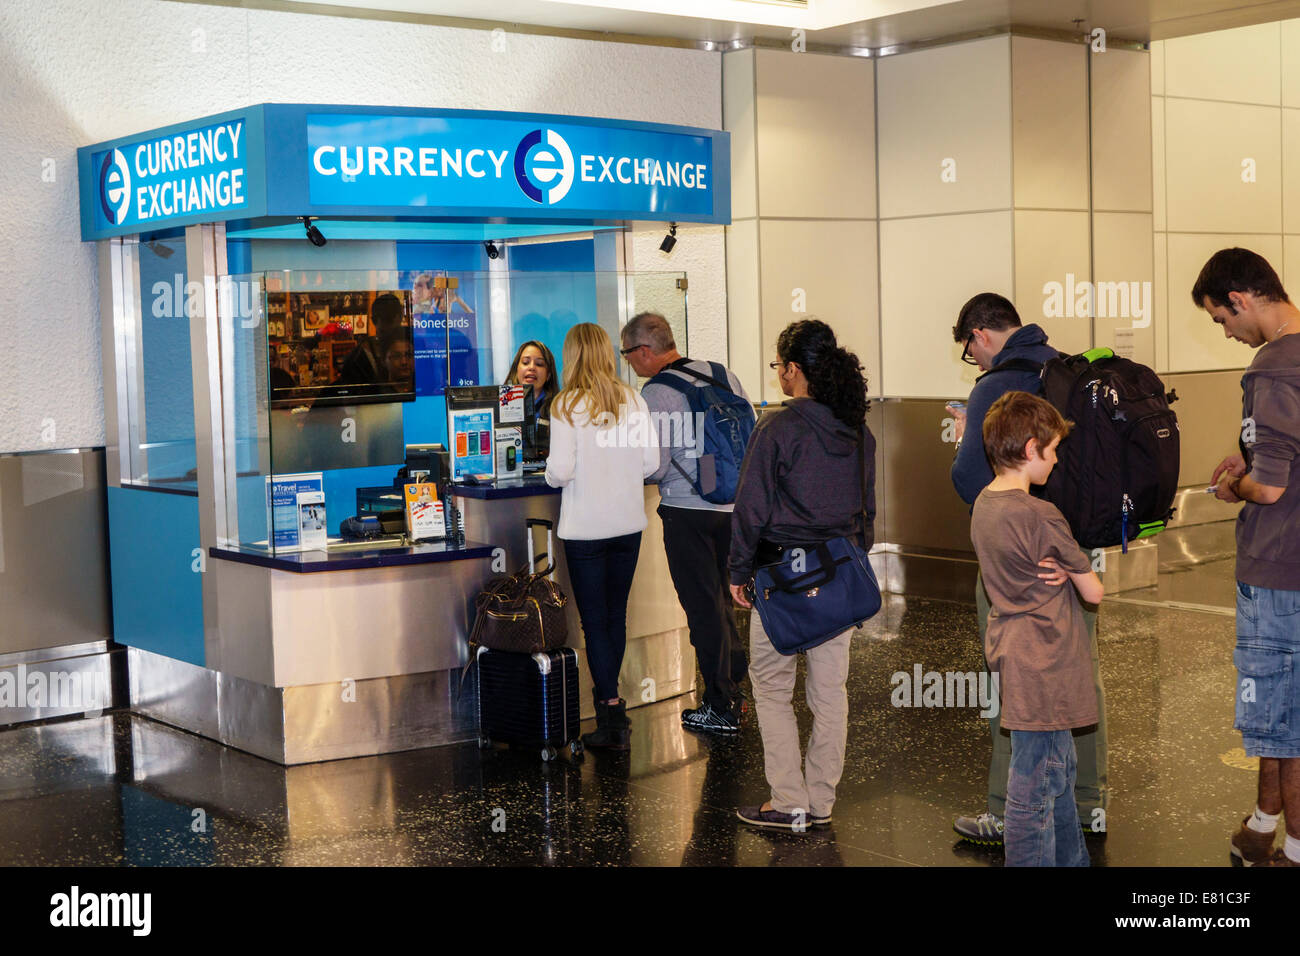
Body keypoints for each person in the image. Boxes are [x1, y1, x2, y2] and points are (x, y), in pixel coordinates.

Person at [947, 293, 1109, 847]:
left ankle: (1005, 810)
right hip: (1075, 551)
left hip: (1019, 561)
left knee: (1018, 689)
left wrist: (968, 436)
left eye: (969, 350)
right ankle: (1087, 802)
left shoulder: (996, 386)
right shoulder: (1066, 367)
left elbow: (970, 479)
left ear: (979, 335)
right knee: (1079, 675)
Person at [727, 318, 875, 831]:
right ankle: (822, 800)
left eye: (779, 368)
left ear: (793, 369)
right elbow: (866, 513)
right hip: (836, 579)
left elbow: (750, 508)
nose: (780, 377)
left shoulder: (779, 427)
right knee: (830, 692)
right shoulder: (858, 429)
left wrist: (737, 571)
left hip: (781, 579)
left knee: (771, 686)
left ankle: (788, 799)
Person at [1194, 247, 1300, 867]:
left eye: (1220, 319)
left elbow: (1272, 488)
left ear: (1239, 299)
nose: (1227, 333)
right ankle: (1263, 826)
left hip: (1277, 565)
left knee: (1280, 719)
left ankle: (1291, 848)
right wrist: (1249, 457)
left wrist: (1238, 484)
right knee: (1283, 706)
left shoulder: (1272, 369)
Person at [971, 390, 1102, 866]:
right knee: (1033, 784)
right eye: (1053, 451)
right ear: (1031, 450)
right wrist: (1073, 572)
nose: (1056, 460)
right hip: (1046, 659)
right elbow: (1095, 593)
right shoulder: (1041, 514)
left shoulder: (984, 504)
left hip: (1011, 648)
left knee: (1056, 769)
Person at [621, 312, 753, 735]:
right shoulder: (722, 375)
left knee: (703, 610)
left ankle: (719, 706)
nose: (630, 365)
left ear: (644, 351)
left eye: (629, 356)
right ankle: (734, 690)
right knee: (724, 601)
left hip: (687, 513)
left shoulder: (656, 391)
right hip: (734, 509)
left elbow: (655, 466)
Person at [545, 323, 659, 750]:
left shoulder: (566, 405)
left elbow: (560, 471)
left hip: (586, 530)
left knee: (594, 622)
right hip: (628, 525)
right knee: (616, 616)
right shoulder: (633, 399)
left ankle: (611, 716)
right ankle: (616, 716)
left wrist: (549, 471)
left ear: (573, 355)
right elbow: (650, 463)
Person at [336, 293, 404, 386]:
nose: (389, 339)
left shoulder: (356, 358)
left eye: (393, 332)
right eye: (385, 332)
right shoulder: (357, 359)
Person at [506, 339, 561, 422]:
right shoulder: (502, 404)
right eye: (525, 362)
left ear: (548, 375)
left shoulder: (559, 409)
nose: (531, 367)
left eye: (539, 364)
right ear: (516, 370)